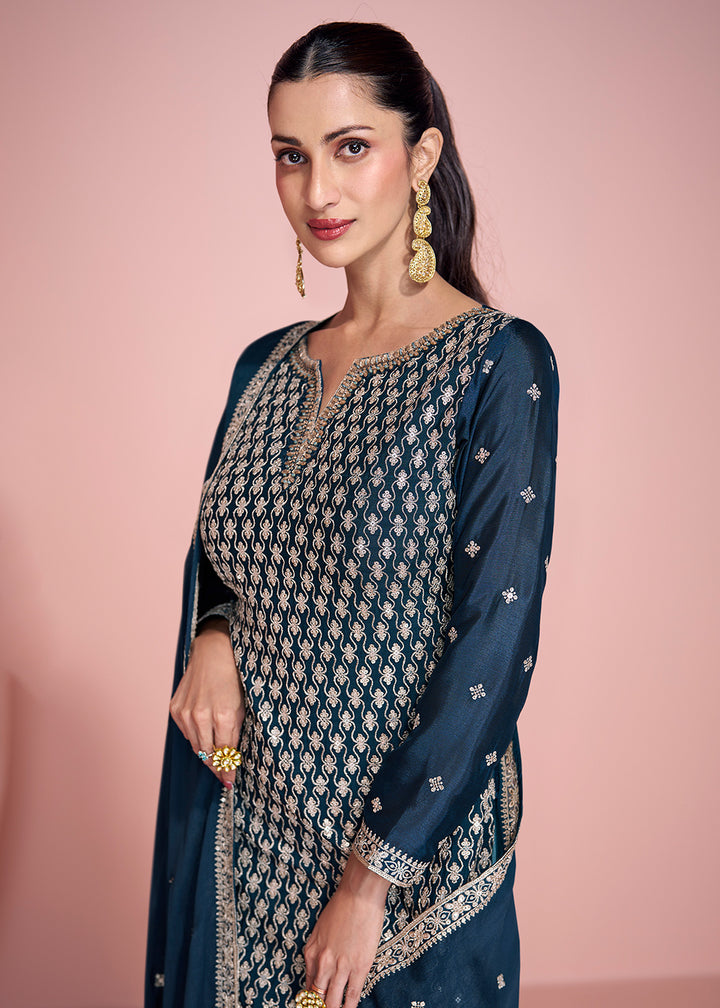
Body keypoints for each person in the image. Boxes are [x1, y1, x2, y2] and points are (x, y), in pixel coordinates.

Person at [145, 21, 558, 1008]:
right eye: (291, 156)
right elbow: (232, 557)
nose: (317, 191)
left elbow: (493, 644)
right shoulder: (264, 367)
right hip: (244, 836)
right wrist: (214, 634)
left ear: (421, 154)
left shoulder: (496, 365)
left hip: (401, 873)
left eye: (351, 147)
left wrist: (371, 883)